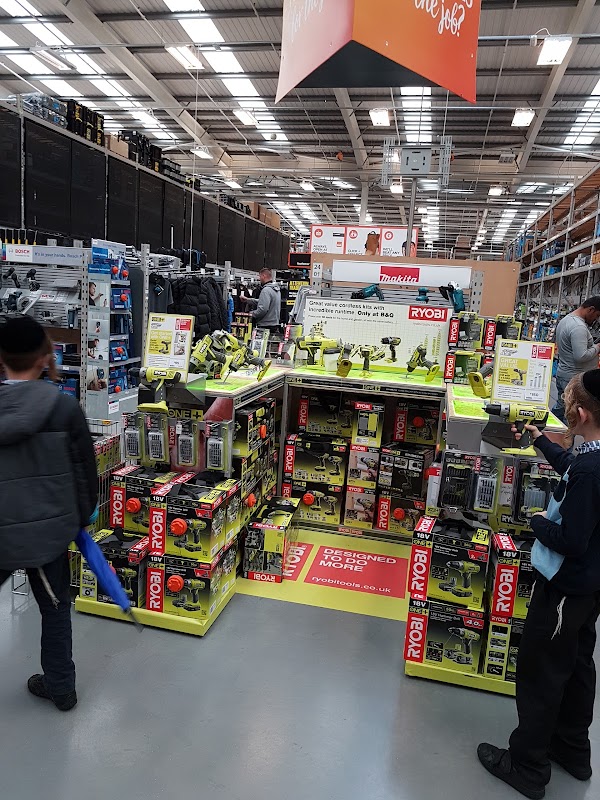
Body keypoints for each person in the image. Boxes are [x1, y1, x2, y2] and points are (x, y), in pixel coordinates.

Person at [478, 368, 600, 799]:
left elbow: (571, 539)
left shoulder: (590, 470)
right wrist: (541, 440)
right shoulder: (592, 460)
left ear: (580, 415)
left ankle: (527, 766)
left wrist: (536, 522)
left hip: (564, 587)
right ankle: (572, 750)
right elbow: (576, 472)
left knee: (541, 672)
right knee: (578, 665)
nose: (564, 413)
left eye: (567, 407)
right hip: (588, 588)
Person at [0, 315, 98, 711]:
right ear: (45, 357)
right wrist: (82, 518)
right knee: (55, 609)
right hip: (50, 533)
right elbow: (85, 473)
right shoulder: (64, 408)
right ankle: (61, 688)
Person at [552, 297, 600, 422]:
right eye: (596, 315)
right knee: (572, 417)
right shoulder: (578, 327)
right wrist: (597, 347)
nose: (596, 319)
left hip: (564, 374)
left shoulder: (566, 320)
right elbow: (581, 356)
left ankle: (546, 431)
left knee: (561, 409)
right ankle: (565, 436)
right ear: (591, 309)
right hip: (573, 378)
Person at [241, 268, 281, 333]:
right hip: (274, 324)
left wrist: (250, 314)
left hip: (265, 326)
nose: (259, 279)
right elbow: (264, 302)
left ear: (264, 276)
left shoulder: (266, 290)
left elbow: (263, 309)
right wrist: (248, 300)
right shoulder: (276, 289)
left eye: (260, 276)